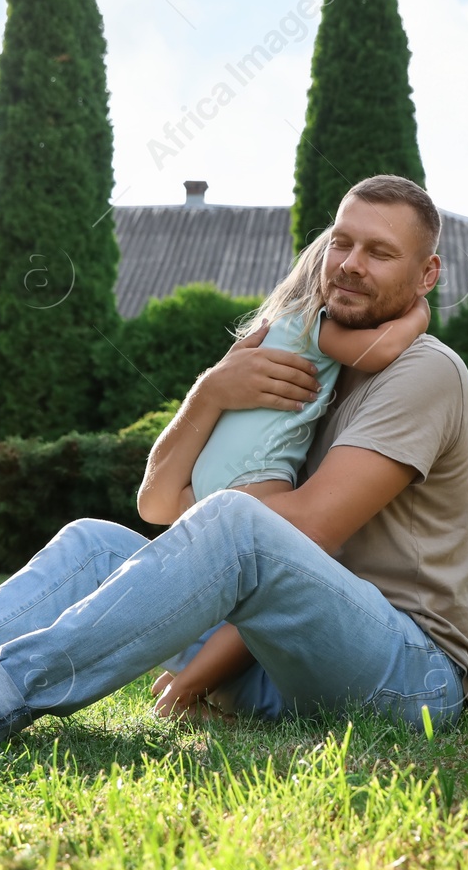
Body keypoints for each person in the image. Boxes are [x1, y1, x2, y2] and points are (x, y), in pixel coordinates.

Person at [0, 174, 468, 748]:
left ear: (427, 275)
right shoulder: (304, 360)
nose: (349, 265)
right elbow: (159, 507)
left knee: (231, 521)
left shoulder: (424, 373)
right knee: (94, 543)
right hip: (283, 670)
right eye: (342, 243)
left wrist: (213, 539)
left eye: (379, 252)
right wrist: (208, 393)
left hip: (409, 680)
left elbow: (309, 529)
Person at [149, 227, 432, 720]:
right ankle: (183, 693)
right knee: (271, 582)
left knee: (248, 591)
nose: (353, 269)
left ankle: (187, 678)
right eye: (344, 256)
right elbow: (381, 352)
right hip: (252, 482)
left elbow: (154, 504)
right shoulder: (315, 324)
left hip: (211, 480)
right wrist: (417, 316)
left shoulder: (275, 329)